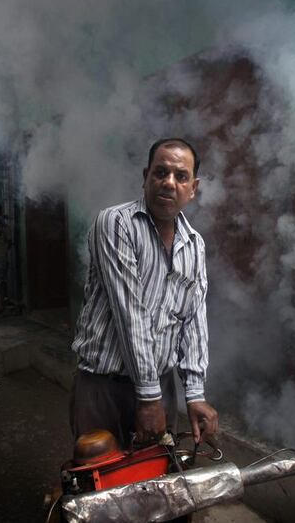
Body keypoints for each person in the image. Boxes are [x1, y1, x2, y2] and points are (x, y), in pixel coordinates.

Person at [69, 138, 218, 449]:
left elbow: (194, 319)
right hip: (105, 387)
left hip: (161, 387)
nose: (169, 183)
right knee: (100, 489)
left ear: (193, 188)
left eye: (181, 176)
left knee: (155, 487)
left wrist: (194, 393)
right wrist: (149, 399)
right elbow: (130, 313)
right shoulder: (115, 223)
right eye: (160, 173)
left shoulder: (195, 245)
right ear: (145, 176)